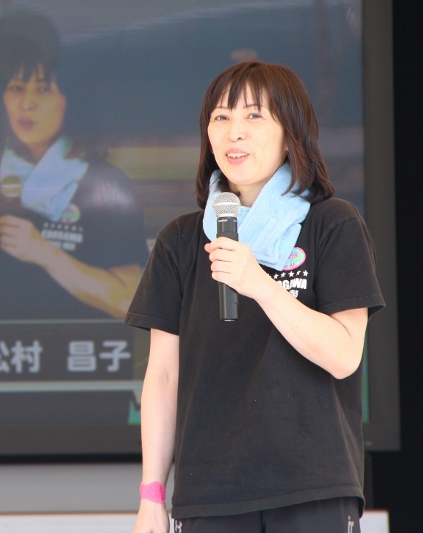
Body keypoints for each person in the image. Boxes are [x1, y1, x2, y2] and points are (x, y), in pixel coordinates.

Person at [125, 60, 384, 533]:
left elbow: (345, 355)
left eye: (253, 116)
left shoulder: (332, 224)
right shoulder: (181, 241)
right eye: (221, 117)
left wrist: (260, 285)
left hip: (313, 485)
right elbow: (163, 376)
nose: (234, 132)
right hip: (209, 494)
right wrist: (151, 496)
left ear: (290, 134)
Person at [0, 8, 148, 427]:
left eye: (44, 88)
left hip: (88, 402)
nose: (27, 102)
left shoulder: (106, 185)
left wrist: (46, 254)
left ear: (71, 101)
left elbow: (128, 301)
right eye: (16, 87)